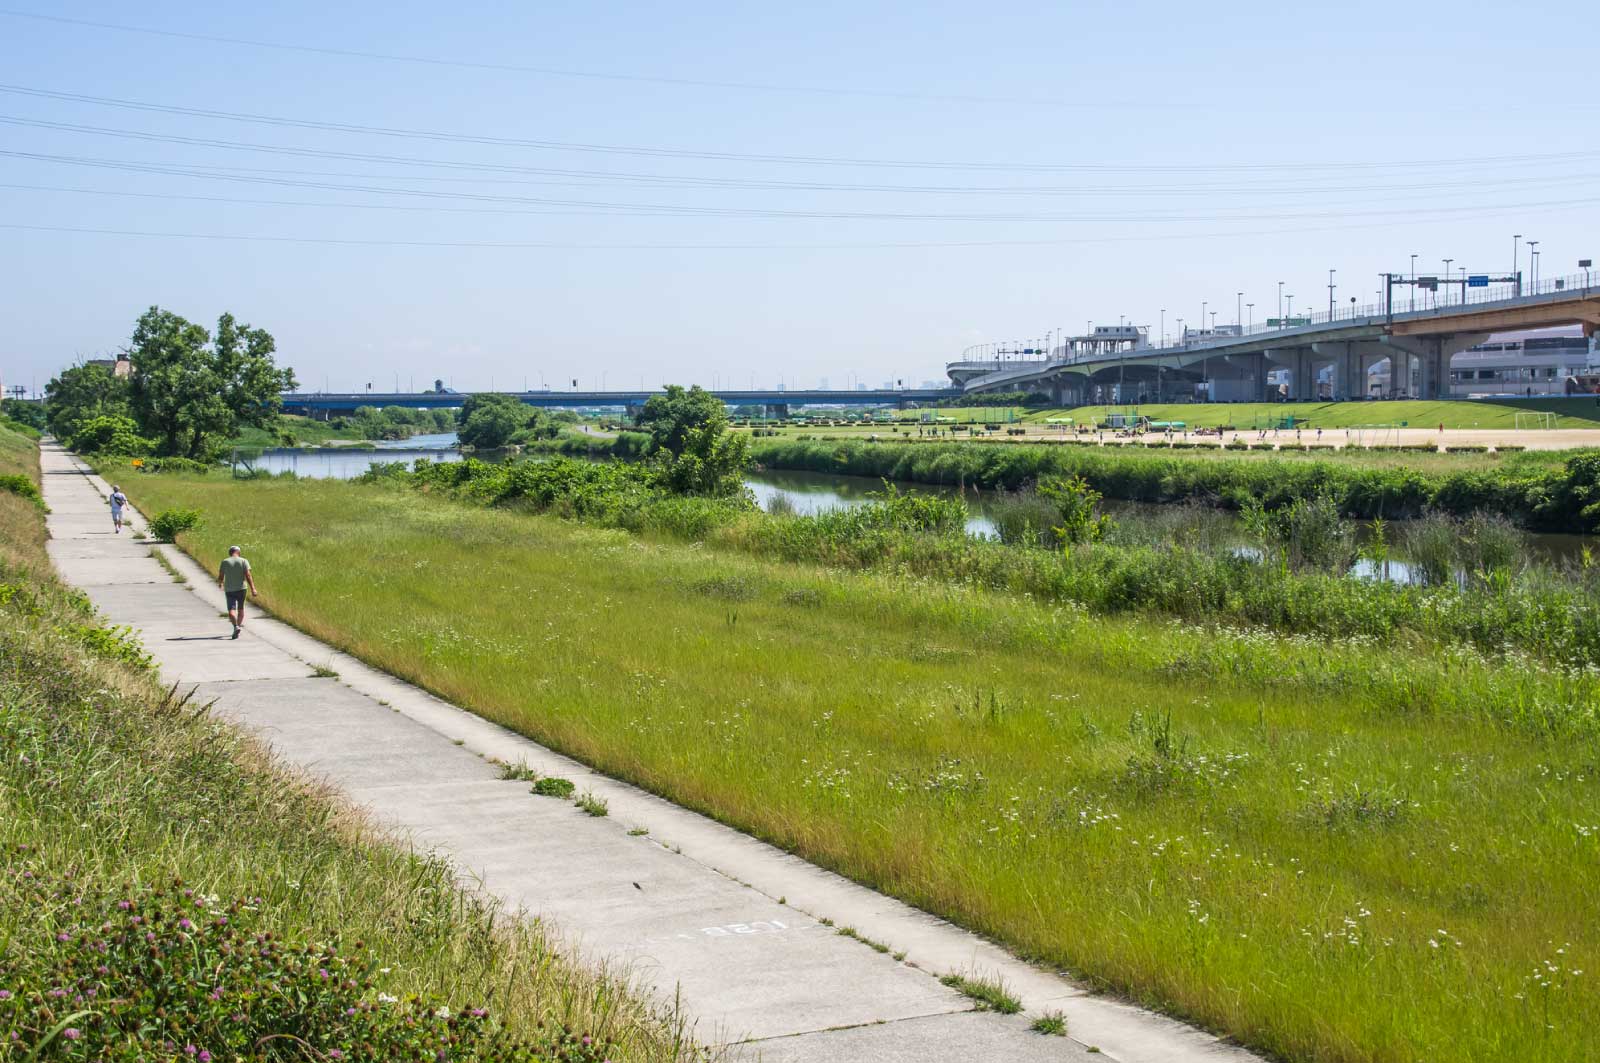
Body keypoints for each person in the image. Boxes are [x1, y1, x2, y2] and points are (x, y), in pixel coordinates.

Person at [217, 546, 257, 639]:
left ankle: (236, 626)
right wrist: (253, 589)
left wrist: (220, 584)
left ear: (230, 553)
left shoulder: (225, 561)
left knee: (231, 610)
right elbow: (248, 575)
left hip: (229, 589)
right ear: (238, 552)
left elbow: (221, 576)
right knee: (241, 609)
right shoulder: (243, 561)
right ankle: (238, 626)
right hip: (241, 588)